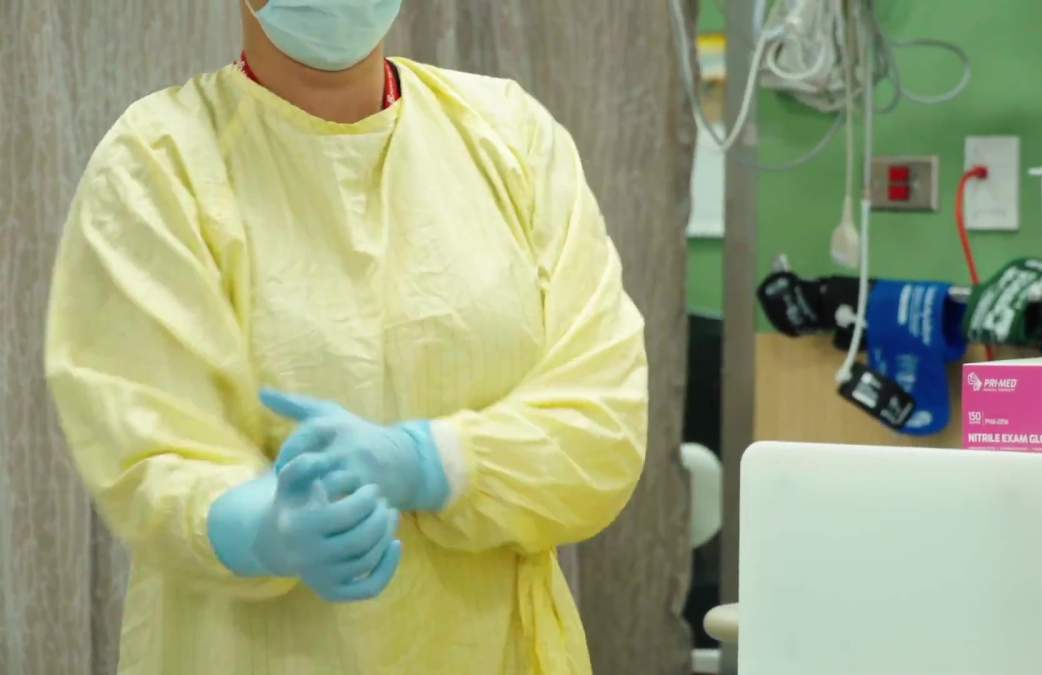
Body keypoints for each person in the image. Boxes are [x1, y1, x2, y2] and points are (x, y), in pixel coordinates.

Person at [44, 1, 648, 673]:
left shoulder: (512, 140)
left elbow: (605, 421)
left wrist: (430, 461)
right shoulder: (159, 163)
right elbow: (142, 443)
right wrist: (255, 526)